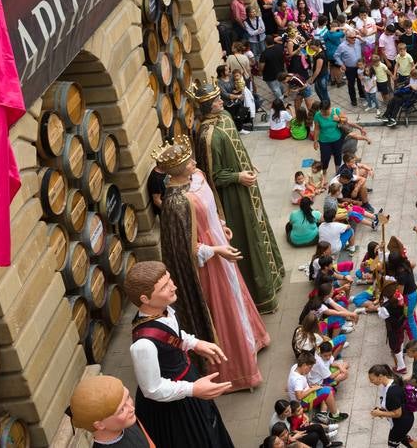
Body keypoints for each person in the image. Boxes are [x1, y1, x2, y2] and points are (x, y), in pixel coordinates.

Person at [156, 136, 270, 390]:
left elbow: (211, 210)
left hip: (219, 248)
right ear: (176, 170)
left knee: (236, 297)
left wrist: (222, 227)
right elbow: (185, 249)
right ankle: (236, 369)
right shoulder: (176, 202)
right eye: (188, 162)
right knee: (224, 307)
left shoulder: (197, 176)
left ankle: (252, 341)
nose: (194, 162)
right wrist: (217, 249)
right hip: (207, 265)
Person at [192, 80, 286, 313]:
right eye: (215, 100)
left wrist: (247, 163)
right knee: (249, 235)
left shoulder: (224, 116)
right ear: (206, 106)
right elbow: (214, 175)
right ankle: (260, 295)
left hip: (247, 186)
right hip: (234, 196)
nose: (221, 101)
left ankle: (275, 275)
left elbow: (236, 147)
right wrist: (238, 176)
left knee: (260, 224)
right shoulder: (207, 136)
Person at [124, 261, 235, 448]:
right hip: (172, 407)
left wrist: (194, 343)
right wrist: (193, 390)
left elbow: (172, 335)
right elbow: (152, 389)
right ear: (145, 298)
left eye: (170, 280)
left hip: (187, 381)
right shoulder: (143, 345)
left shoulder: (164, 311)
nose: (173, 287)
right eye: (165, 286)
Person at [69, 374, 156, 448]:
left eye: (128, 397)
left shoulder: (128, 422)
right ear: (100, 425)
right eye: (122, 409)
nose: (131, 408)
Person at [367, 364, 414, 448]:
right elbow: (393, 405)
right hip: (402, 420)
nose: (371, 382)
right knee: (401, 438)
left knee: (392, 445)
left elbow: (397, 413)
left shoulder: (392, 392)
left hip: (401, 423)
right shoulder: (390, 383)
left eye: (372, 379)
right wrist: (381, 410)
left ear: (380, 376)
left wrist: (380, 413)